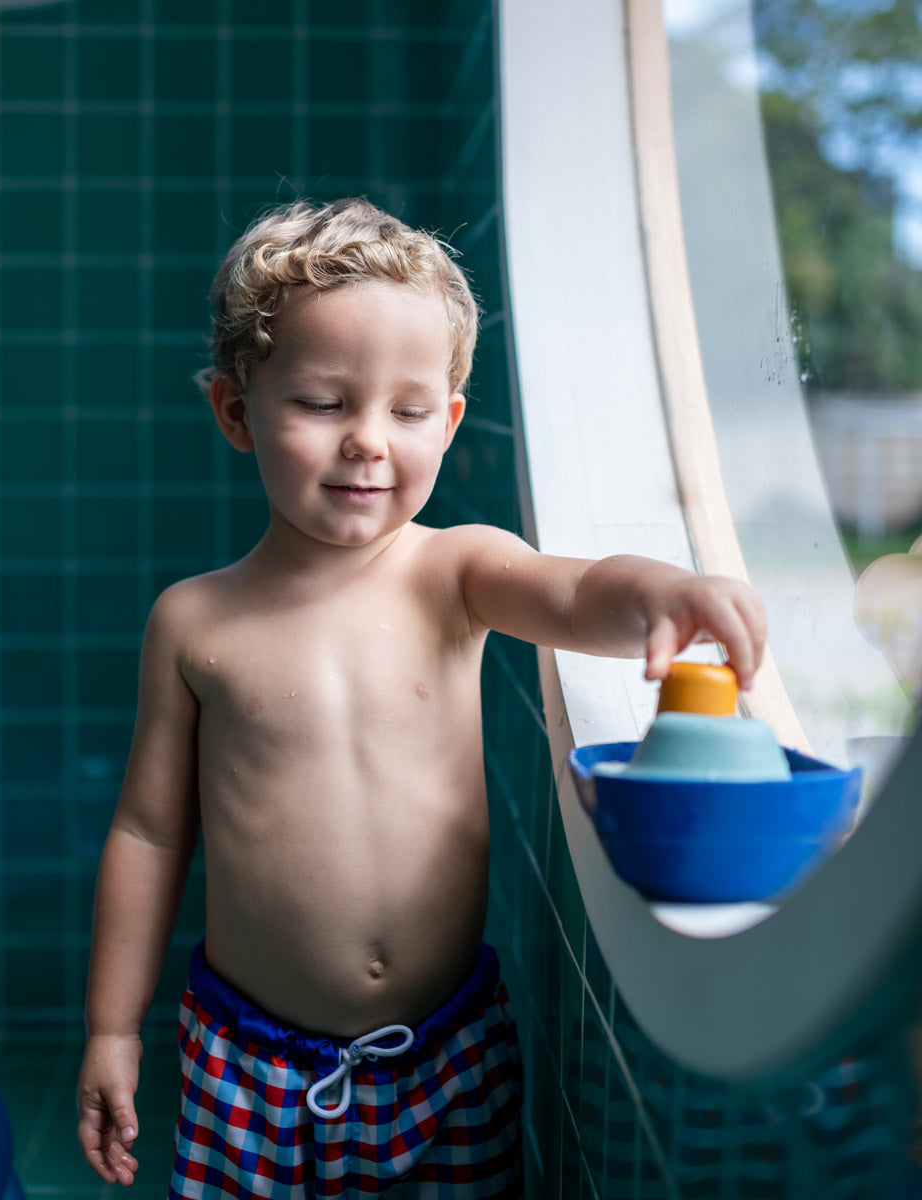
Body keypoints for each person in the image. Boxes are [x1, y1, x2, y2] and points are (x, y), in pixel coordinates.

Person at [76, 197, 766, 1197]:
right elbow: (147, 834)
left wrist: (670, 590)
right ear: (236, 411)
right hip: (246, 1061)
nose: (368, 442)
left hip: (445, 1058)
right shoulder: (195, 624)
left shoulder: (456, 574)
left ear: (445, 422)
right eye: (321, 403)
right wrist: (111, 1029)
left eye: (406, 411)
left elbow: (577, 591)